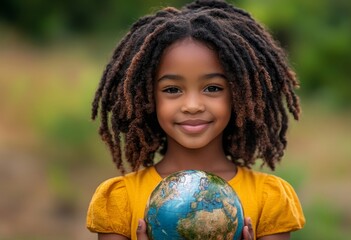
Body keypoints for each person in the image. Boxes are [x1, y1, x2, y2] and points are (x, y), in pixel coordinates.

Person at [86, 0, 305, 239]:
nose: (192, 106)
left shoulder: (268, 198)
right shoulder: (121, 199)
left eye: (212, 88)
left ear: (239, 94)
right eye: (172, 90)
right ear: (147, 97)